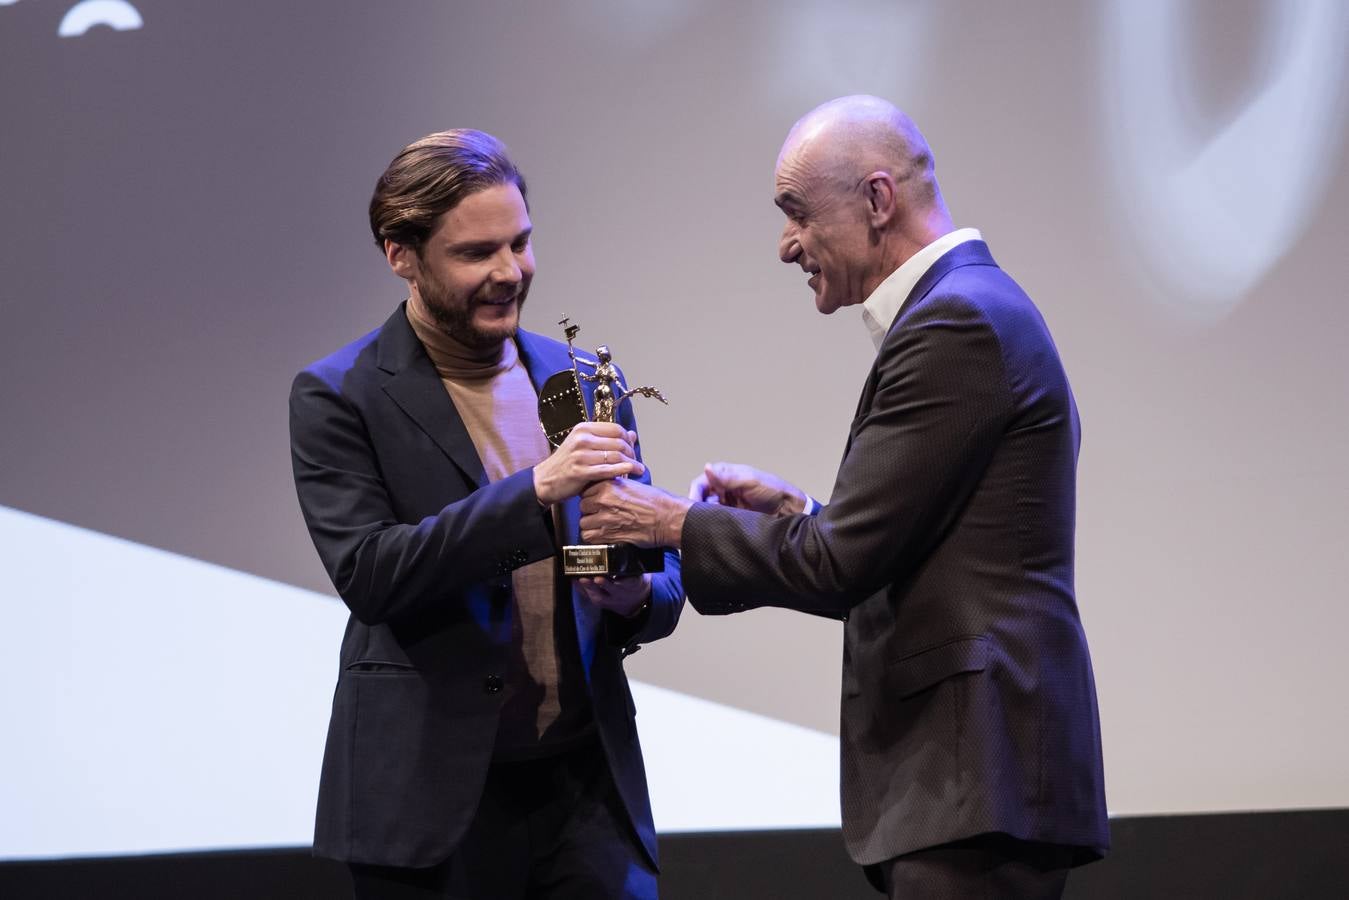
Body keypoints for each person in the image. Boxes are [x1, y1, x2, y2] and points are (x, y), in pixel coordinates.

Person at [579, 96, 1108, 898]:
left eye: (796, 213)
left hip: (977, 776)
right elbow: (917, 550)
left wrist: (671, 524)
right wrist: (795, 518)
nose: (785, 244)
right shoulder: (969, 309)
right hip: (971, 781)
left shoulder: (956, 322)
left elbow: (839, 568)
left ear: (876, 200)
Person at [289, 129, 682, 899]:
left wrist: (636, 596)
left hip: (586, 793)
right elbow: (372, 575)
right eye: (476, 253)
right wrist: (535, 489)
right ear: (400, 254)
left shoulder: (578, 376)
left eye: (521, 244)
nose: (509, 272)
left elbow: (655, 574)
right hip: (433, 805)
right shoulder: (340, 394)